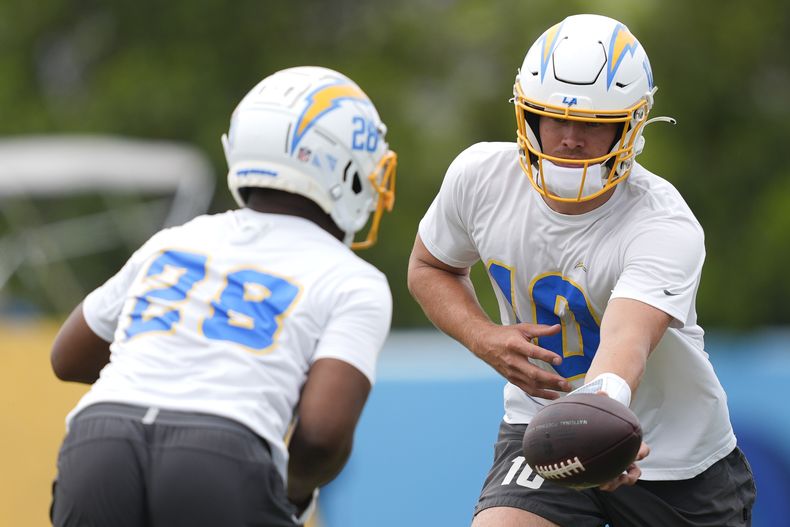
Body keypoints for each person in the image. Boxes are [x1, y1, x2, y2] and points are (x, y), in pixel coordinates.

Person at [407, 13, 755, 527]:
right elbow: (429, 265)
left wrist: (601, 420)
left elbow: (625, 344)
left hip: (675, 460)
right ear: (528, 116)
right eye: (554, 118)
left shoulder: (663, 222)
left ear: (630, 125)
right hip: (542, 428)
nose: (569, 139)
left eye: (592, 123)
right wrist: (483, 336)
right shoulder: (479, 176)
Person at [49, 65, 397, 527]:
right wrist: (291, 493)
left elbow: (68, 356)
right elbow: (322, 436)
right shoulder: (353, 279)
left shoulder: (176, 239)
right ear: (345, 169)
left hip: (97, 444)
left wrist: (174, 367)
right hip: (222, 454)